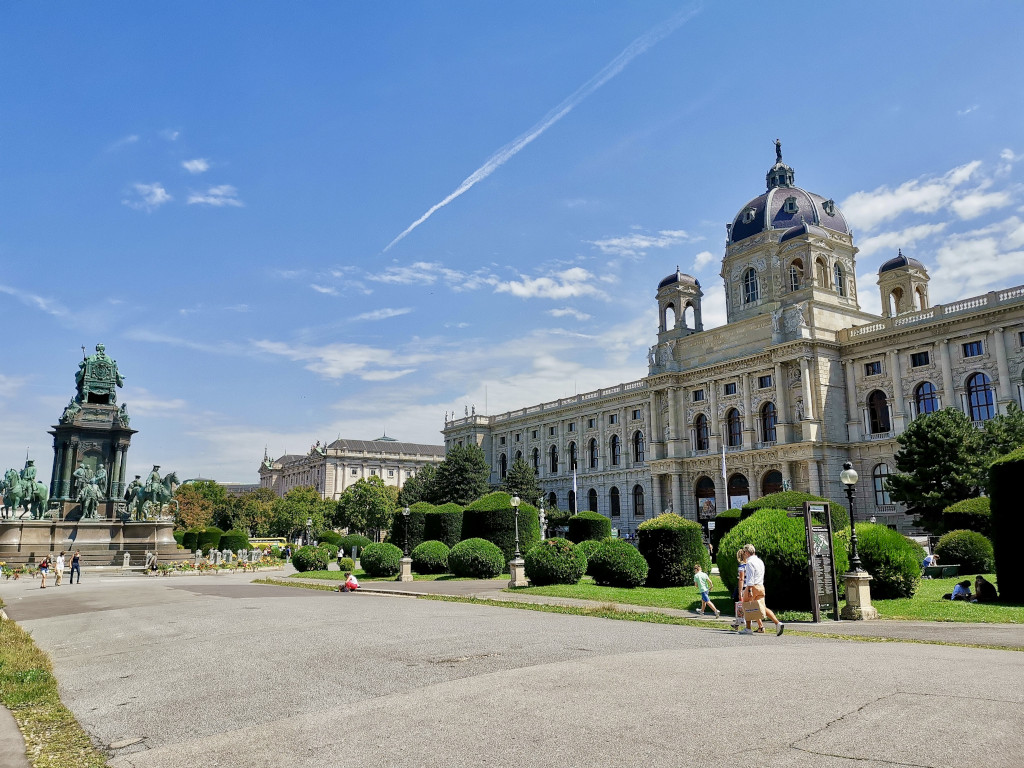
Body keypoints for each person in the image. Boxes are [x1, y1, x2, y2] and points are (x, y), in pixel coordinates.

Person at [739, 543, 784, 636]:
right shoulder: (760, 561)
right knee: (762, 607)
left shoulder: (749, 563)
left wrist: (749, 590)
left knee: (746, 605)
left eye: (744, 552)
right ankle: (777, 623)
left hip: (752, 586)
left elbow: (750, 577)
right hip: (760, 586)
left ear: (747, 552)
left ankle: (748, 628)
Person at [731, 548, 747, 629]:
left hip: (744, 587)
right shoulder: (750, 565)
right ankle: (737, 623)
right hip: (750, 586)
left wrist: (740, 591)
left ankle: (739, 622)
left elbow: (741, 579)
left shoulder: (742, 566)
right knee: (744, 605)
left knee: (740, 605)